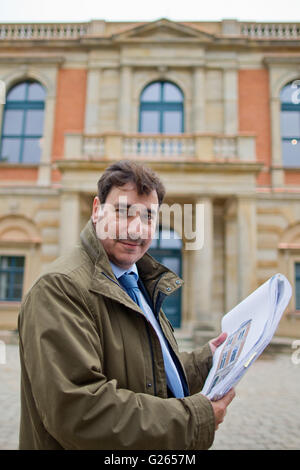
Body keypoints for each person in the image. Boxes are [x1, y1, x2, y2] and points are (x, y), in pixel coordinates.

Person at [18, 160, 235, 450]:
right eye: (122, 212)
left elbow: (150, 372)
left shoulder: (135, 278)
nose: (136, 230)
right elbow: (80, 413)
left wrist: (209, 358)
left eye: (148, 216)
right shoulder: (59, 287)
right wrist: (194, 418)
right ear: (97, 211)